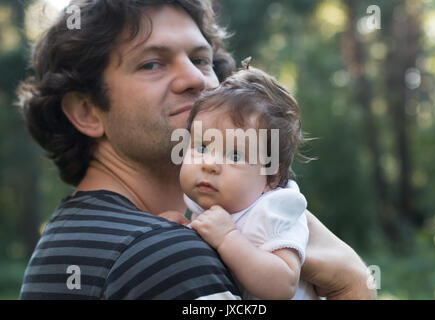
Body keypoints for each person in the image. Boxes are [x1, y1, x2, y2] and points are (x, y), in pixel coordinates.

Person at [16, 0, 375, 300]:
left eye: (201, 60)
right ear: (86, 111)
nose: (196, 80)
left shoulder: (65, 244)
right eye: (151, 64)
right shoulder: (170, 260)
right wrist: (352, 285)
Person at [180, 66, 319, 300]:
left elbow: (283, 286)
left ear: (272, 177)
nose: (209, 164)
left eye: (235, 156)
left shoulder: (275, 210)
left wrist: (228, 238)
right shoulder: (206, 202)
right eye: (202, 148)